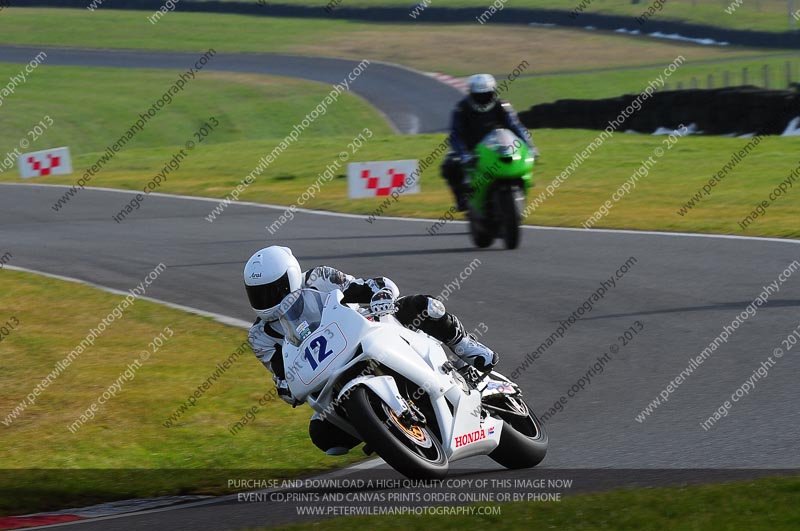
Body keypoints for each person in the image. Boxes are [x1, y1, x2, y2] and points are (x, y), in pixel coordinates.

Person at [244, 246, 497, 455]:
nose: (265, 299)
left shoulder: (319, 278)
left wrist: (381, 295)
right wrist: (285, 389)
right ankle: (381, 429)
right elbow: (280, 373)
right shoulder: (259, 336)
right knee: (324, 437)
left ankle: (465, 347)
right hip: (328, 376)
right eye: (257, 294)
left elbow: (371, 286)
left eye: (272, 290)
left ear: (291, 277)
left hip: (366, 331)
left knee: (424, 306)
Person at [442, 73, 536, 211]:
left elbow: (516, 126)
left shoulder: (502, 106)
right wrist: (464, 155)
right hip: (470, 148)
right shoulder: (461, 109)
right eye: (479, 96)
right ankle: (462, 199)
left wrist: (529, 145)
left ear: (493, 92)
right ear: (471, 94)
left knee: (519, 160)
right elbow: (455, 134)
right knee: (449, 165)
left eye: (487, 94)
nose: (483, 98)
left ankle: (519, 189)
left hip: (496, 146)